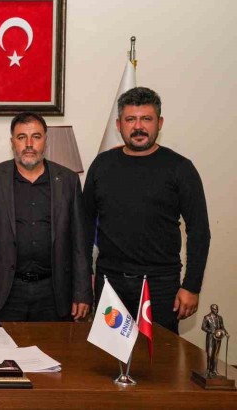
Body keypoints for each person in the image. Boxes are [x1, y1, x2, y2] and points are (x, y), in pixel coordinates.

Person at [84, 87, 211, 334]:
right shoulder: (101, 165)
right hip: (110, 284)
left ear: (159, 123)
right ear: (119, 125)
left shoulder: (180, 168)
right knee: (110, 355)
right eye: (130, 119)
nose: (138, 127)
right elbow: (85, 224)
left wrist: (191, 286)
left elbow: (199, 232)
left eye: (146, 119)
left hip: (160, 286)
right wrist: (85, 275)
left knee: (160, 355)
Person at [0, 112, 92, 323]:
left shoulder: (68, 180)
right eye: (22, 137)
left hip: (53, 291)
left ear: (45, 141)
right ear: (12, 142)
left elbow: (79, 241)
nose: (29, 144)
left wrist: (82, 291)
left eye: (36, 137)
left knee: (54, 345)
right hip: (5, 290)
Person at [202, 304, 228, 377]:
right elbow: (203, 327)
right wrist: (211, 331)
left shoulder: (220, 318)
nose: (216, 310)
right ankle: (208, 370)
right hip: (210, 337)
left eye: (217, 309)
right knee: (210, 354)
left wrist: (226, 333)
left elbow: (222, 327)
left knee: (216, 354)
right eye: (215, 309)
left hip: (218, 338)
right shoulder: (207, 317)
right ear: (211, 309)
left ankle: (214, 370)